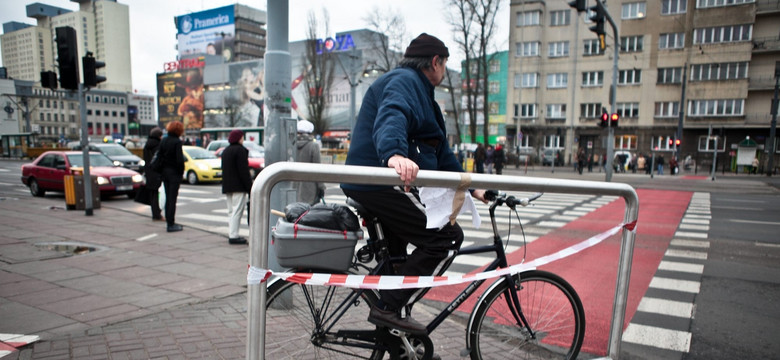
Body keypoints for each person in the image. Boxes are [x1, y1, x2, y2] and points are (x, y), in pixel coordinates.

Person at [340, 33, 488, 336]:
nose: (444, 70)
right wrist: (394, 154)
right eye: (444, 63)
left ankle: (397, 341)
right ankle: (386, 307)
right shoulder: (404, 82)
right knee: (444, 237)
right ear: (435, 62)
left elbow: (441, 151)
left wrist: (471, 187)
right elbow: (392, 114)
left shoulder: (425, 98)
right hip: (377, 182)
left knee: (398, 267)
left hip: (378, 183)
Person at [221, 129, 253, 245]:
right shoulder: (240, 151)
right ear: (239, 138)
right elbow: (243, 171)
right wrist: (250, 187)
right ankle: (233, 235)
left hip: (228, 186)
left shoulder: (226, 151)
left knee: (231, 211)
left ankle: (232, 233)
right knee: (237, 211)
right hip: (238, 186)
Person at [158, 121, 185, 232]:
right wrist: (181, 172)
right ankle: (171, 223)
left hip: (165, 172)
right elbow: (179, 160)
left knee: (168, 197)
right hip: (174, 173)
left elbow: (160, 156)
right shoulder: (176, 142)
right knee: (172, 199)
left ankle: (169, 221)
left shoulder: (164, 140)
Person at [294, 119, 325, 204]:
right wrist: (321, 187)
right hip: (310, 187)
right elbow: (317, 169)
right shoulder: (313, 146)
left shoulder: (292, 145)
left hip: (294, 185)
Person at [142, 127, 164, 221]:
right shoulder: (158, 145)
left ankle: (155, 213)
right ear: (159, 136)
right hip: (156, 172)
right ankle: (157, 214)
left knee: (153, 194)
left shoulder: (147, 145)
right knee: (158, 194)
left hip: (149, 171)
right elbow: (159, 160)